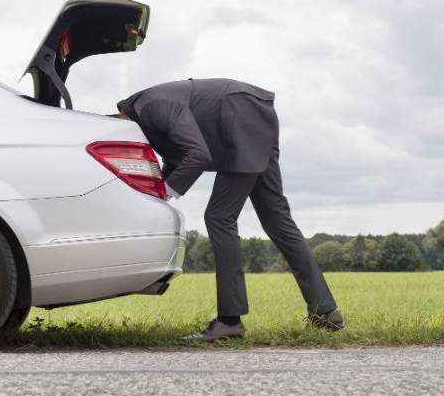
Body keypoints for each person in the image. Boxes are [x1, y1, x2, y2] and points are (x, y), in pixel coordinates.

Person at [114, 78, 343, 341]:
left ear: (119, 120)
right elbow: (177, 155)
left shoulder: (152, 107)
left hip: (240, 120)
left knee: (219, 217)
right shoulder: (145, 110)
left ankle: (229, 321)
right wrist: (155, 193)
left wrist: (165, 192)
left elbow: (197, 154)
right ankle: (326, 312)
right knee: (277, 219)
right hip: (253, 116)